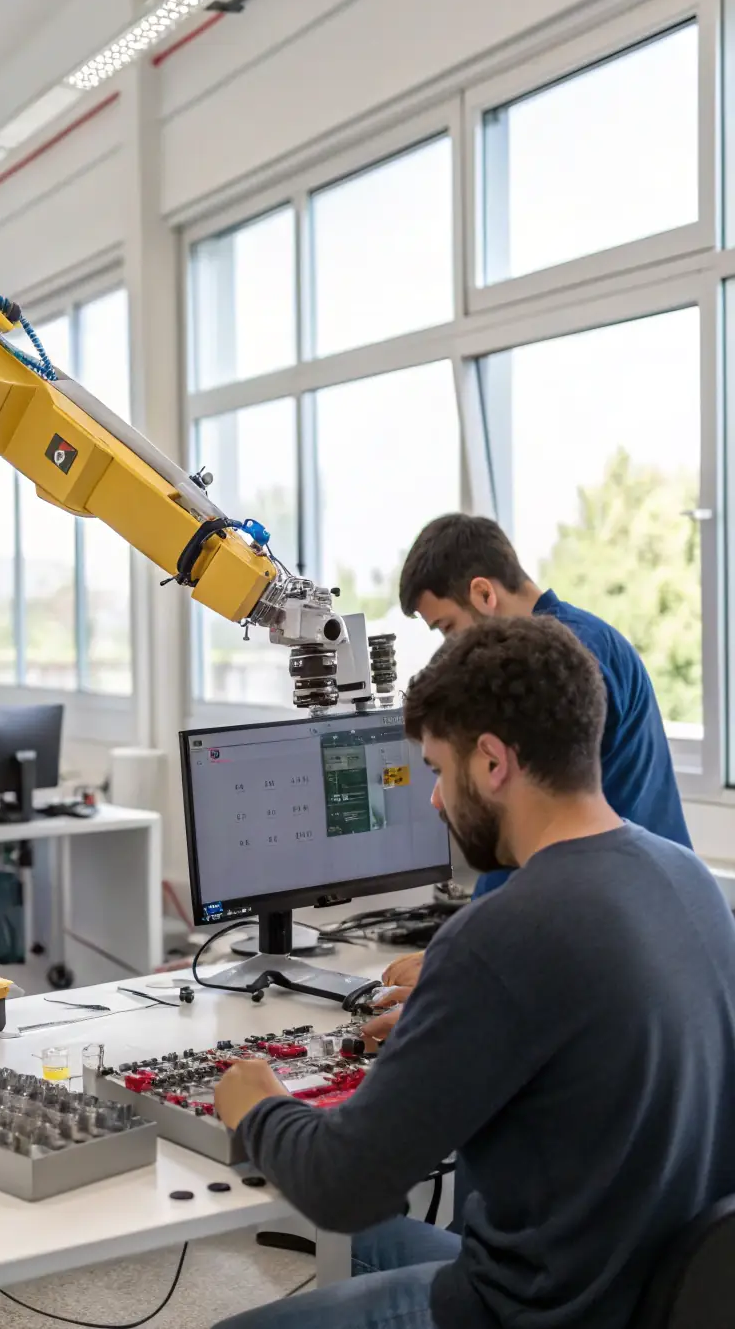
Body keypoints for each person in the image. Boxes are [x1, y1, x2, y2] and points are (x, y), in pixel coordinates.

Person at [211, 617, 735, 1329]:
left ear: (492, 762)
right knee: (367, 1244)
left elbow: (342, 1186)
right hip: (655, 1288)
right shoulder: (689, 878)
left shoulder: (500, 934)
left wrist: (259, 1103)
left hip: (532, 1312)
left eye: (437, 769)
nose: (433, 799)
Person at [374, 512, 691, 1019]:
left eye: (448, 628)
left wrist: (462, 958)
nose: (453, 651)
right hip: (639, 916)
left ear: (483, 594)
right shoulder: (585, 639)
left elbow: (528, 823)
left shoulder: (563, 659)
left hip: (615, 930)